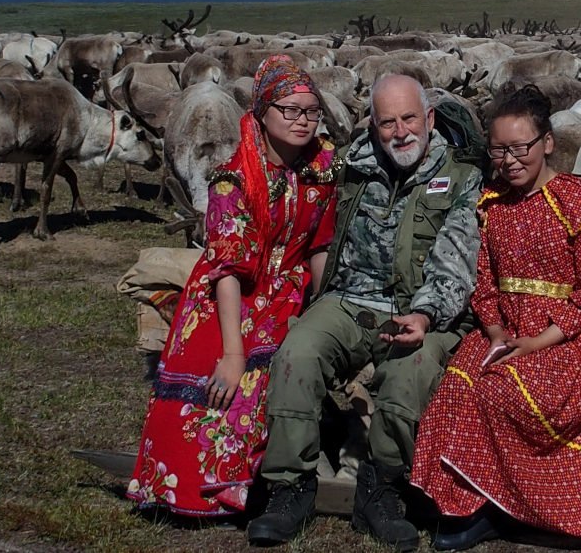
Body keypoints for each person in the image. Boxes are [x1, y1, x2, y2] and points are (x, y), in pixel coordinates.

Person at [411, 85, 581, 550]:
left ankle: (532, 504)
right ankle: (476, 505)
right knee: (459, 390)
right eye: (499, 150)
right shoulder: (491, 206)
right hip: (507, 332)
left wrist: (536, 342)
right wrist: (494, 331)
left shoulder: (577, 205)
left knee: (507, 391)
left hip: (572, 338)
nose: (509, 160)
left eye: (519, 148)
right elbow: (483, 283)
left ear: (547, 143)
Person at [247, 74, 483, 550]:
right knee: (300, 351)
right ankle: (290, 486)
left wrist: (426, 314)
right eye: (388, 122)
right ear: (373, 127)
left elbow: (456, 259)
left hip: (423, 310)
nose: (401, 132)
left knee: (409, 373)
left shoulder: (460, 177)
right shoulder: (351, 167)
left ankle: (382, 488)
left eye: (410, 118)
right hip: (350, 300)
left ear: (429, 118)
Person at [126, 55, 339, 518]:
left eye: (311, 111)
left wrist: (327, 303)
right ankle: (191, 485)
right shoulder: (233, 179)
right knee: (218, 366)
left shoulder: (321, 167)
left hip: (288, 287)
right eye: (291, 110)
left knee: (266, 373)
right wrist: (233, 350)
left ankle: (242, 480)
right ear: (263, 112)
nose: (303, 121)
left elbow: (320, 243)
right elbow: (228, 269)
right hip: (231, 289)